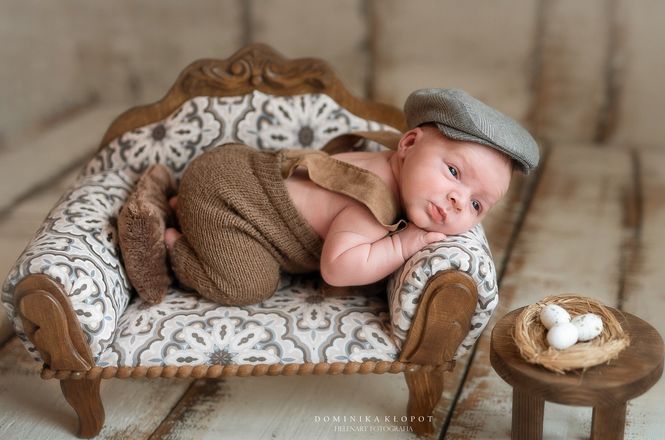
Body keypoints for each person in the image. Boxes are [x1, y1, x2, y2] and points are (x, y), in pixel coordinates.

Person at [127, 88, 539, 305]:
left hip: (236, 170)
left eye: (476, 204)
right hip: (232, 199)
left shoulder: (393, 162)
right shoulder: (372, 202)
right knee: (248, 284)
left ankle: (189, 209)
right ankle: (174, 239)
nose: (456, 200)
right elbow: (338, 269)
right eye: (453, 172)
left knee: (230, 235)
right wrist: (404, 242)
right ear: (409, 144)